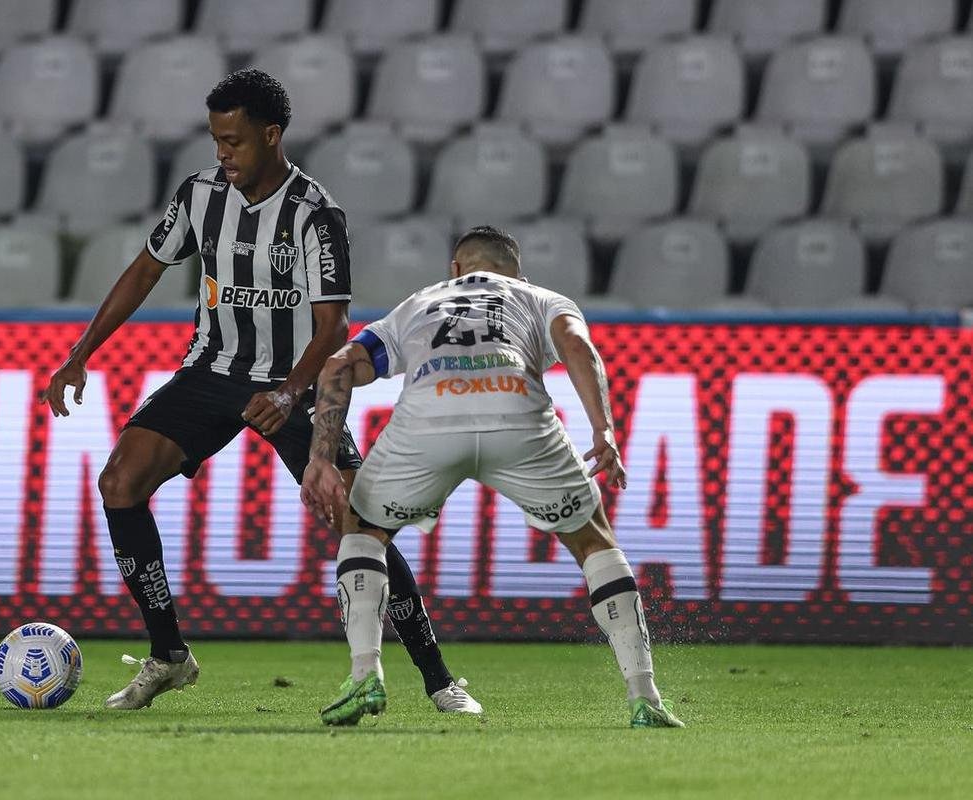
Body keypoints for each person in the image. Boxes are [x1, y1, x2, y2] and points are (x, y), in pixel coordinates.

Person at [39, 69, 478, 713]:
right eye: (216, 140)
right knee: (120, 483)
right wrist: (80, 353)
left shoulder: (316, 216)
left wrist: (287, 391)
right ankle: (168, 657)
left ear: (272, 135)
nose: (223, 153)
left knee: (359, 521)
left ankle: (439, 678)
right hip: (211, 370)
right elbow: (144, 270)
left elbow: (334, 326)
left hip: (292, 381)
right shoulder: (199, 195)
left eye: (235, 141)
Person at [302, 226, 685, 728]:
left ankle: (364, 674)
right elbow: (577, 346)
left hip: (428, 422)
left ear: (457, 269)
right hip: (517, 418)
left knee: (363, 531)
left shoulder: (421, 302)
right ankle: (644, 696)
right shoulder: (540, 297)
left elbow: (338, 365)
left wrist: (321, 456)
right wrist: (603, 429)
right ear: (516, 271)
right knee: (594, 542)